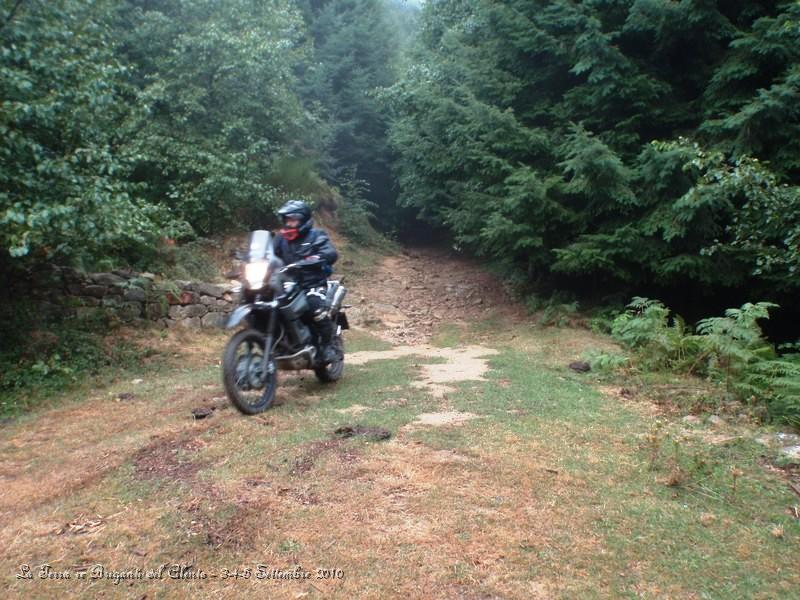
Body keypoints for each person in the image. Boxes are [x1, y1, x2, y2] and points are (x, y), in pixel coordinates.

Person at [273, 200, 339, 364]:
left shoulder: (317, 236)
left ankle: (328, 347)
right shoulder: (281, 239)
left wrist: (316, 258)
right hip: (287, 285)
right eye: (287, 220)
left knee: (315, 308)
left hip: (313, 284)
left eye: (293, 220)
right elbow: (268, 255)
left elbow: (330, 252)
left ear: (303, 220)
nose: (289, 223)